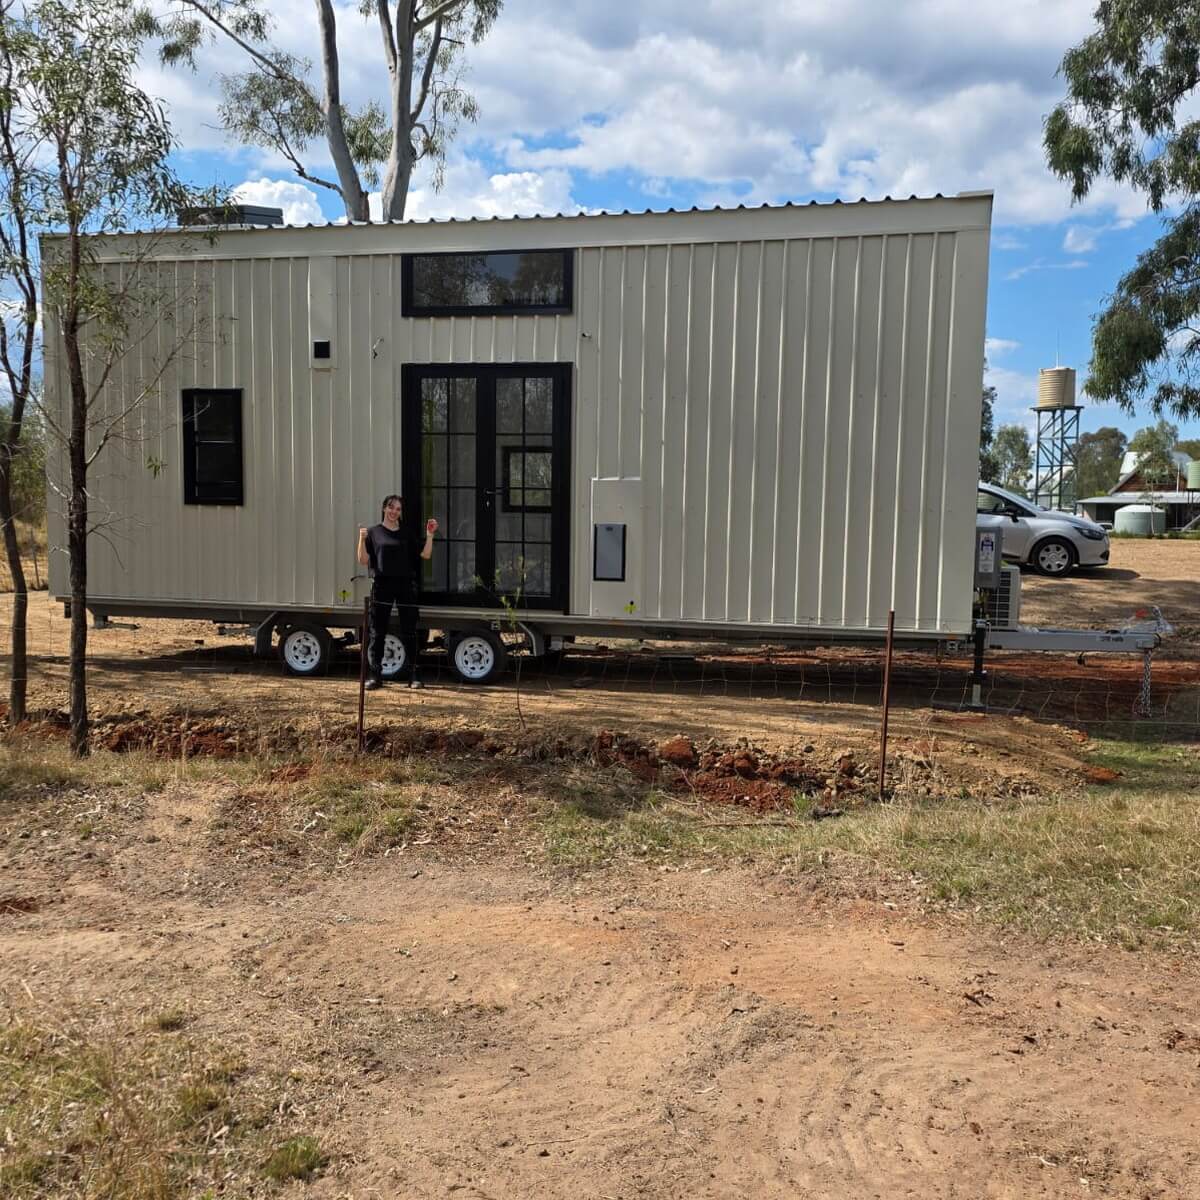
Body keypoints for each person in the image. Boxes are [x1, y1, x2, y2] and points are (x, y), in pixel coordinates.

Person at [357, 495, 437, 690]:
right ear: (384, 509)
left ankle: (414, 675)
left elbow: (425, 554)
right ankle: (375, 675)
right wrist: (361, 538)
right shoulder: (374, 533)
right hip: (382, 585)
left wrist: (429, 535)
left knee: (409, 631)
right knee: (377, 632)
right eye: (391, 508)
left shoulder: (407, 533)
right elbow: (363, 560)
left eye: (398, 509)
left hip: (405, 586)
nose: (394, 512)